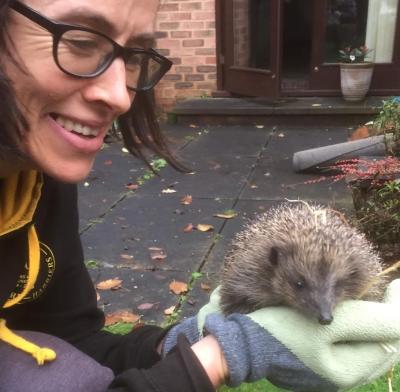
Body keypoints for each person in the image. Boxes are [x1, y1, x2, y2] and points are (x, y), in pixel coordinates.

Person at [1, 1, 400, 391]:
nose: (121, 96)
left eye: (136, 55)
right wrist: (225, 355)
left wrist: (188, 340)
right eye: (81, 41)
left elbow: (73, 338)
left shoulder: (37, 181)